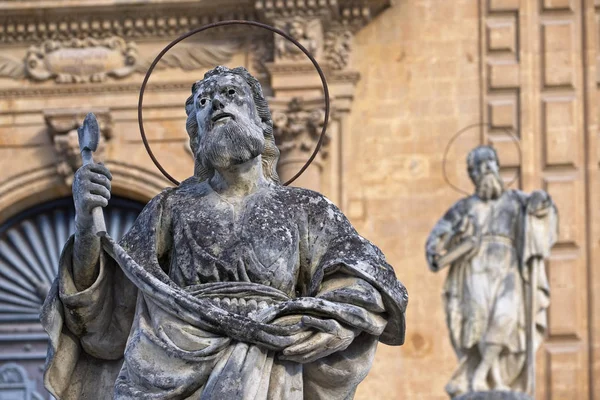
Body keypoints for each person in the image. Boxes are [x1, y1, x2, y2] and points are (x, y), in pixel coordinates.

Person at [42, 66, 408, 400]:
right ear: (197, 134)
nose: (217, 103)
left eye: (232, 95)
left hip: (271, 365)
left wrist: (327, 320)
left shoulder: (306, 208)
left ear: (260, 120)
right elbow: (111, 301)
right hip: (173, 359)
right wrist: (87, 226)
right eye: (204, 102)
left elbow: (364, 279)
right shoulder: (171, 207)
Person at [425, 145, 557, 397]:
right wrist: (452, 238)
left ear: (498, 167)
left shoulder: (516, 201)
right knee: (479, 322)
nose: (486, 170)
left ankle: (481, 372)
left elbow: (541, 212)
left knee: (505, 317)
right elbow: (436, 240)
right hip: (474, 270)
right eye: (480, 167)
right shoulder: (463, 208)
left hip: (508, 270)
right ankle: (493, 375)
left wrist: (543, 203)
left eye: (491, 164)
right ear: (473, 176)